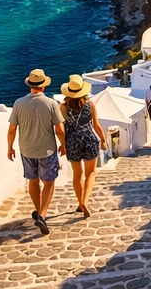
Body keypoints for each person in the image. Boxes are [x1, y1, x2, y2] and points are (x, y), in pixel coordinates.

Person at [8, 68, 65, 235]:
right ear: (44, 86)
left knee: (33, 181)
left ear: (30, 85)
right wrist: (63, 145)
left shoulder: (18, 103)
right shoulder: (51, 104)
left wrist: (9, 147)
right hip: (47, 149)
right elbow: (59, 130)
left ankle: (38, 210)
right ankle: (43, 213)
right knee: (48, 182)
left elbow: (12, 129)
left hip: (26, 149)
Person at [60, 75, 107, 218]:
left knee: (77, 175)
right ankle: (85, 201)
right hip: (89, 139)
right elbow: (96, 125)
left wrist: (63, 145)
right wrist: (103, 140)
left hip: (72, 141)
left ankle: (80, 202)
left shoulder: (63, 107)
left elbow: (61, 128)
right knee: (91, 173)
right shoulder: (90, 104)